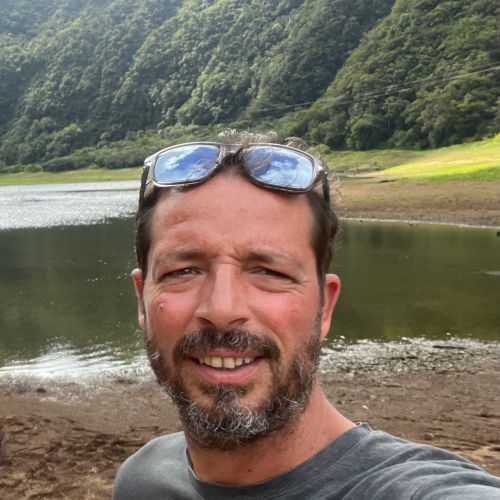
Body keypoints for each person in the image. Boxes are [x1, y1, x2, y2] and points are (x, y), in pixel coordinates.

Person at [113, 133, 500, 499]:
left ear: (325, 306)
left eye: (270, 272)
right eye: (183, 271)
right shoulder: (142, 481)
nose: (222, 310)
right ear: (141, 301)